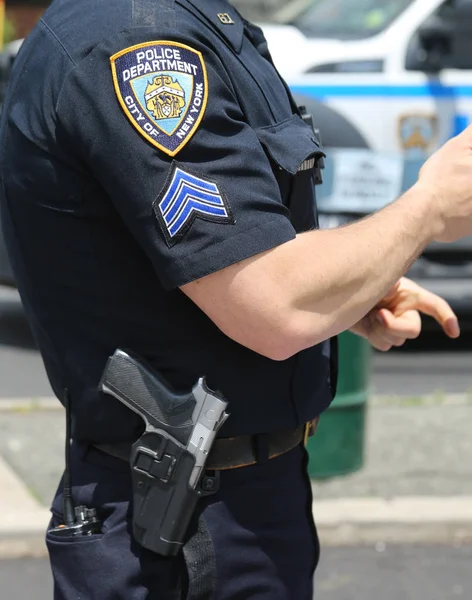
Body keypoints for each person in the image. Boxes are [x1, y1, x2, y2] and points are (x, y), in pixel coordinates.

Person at [0, 0, 470, 598]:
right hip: (185, 524)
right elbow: (273, 304)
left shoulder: (194, 20)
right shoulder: (138, 42)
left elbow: (234, 245)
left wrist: (352, 284)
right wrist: (429, 207)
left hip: (230, 505)